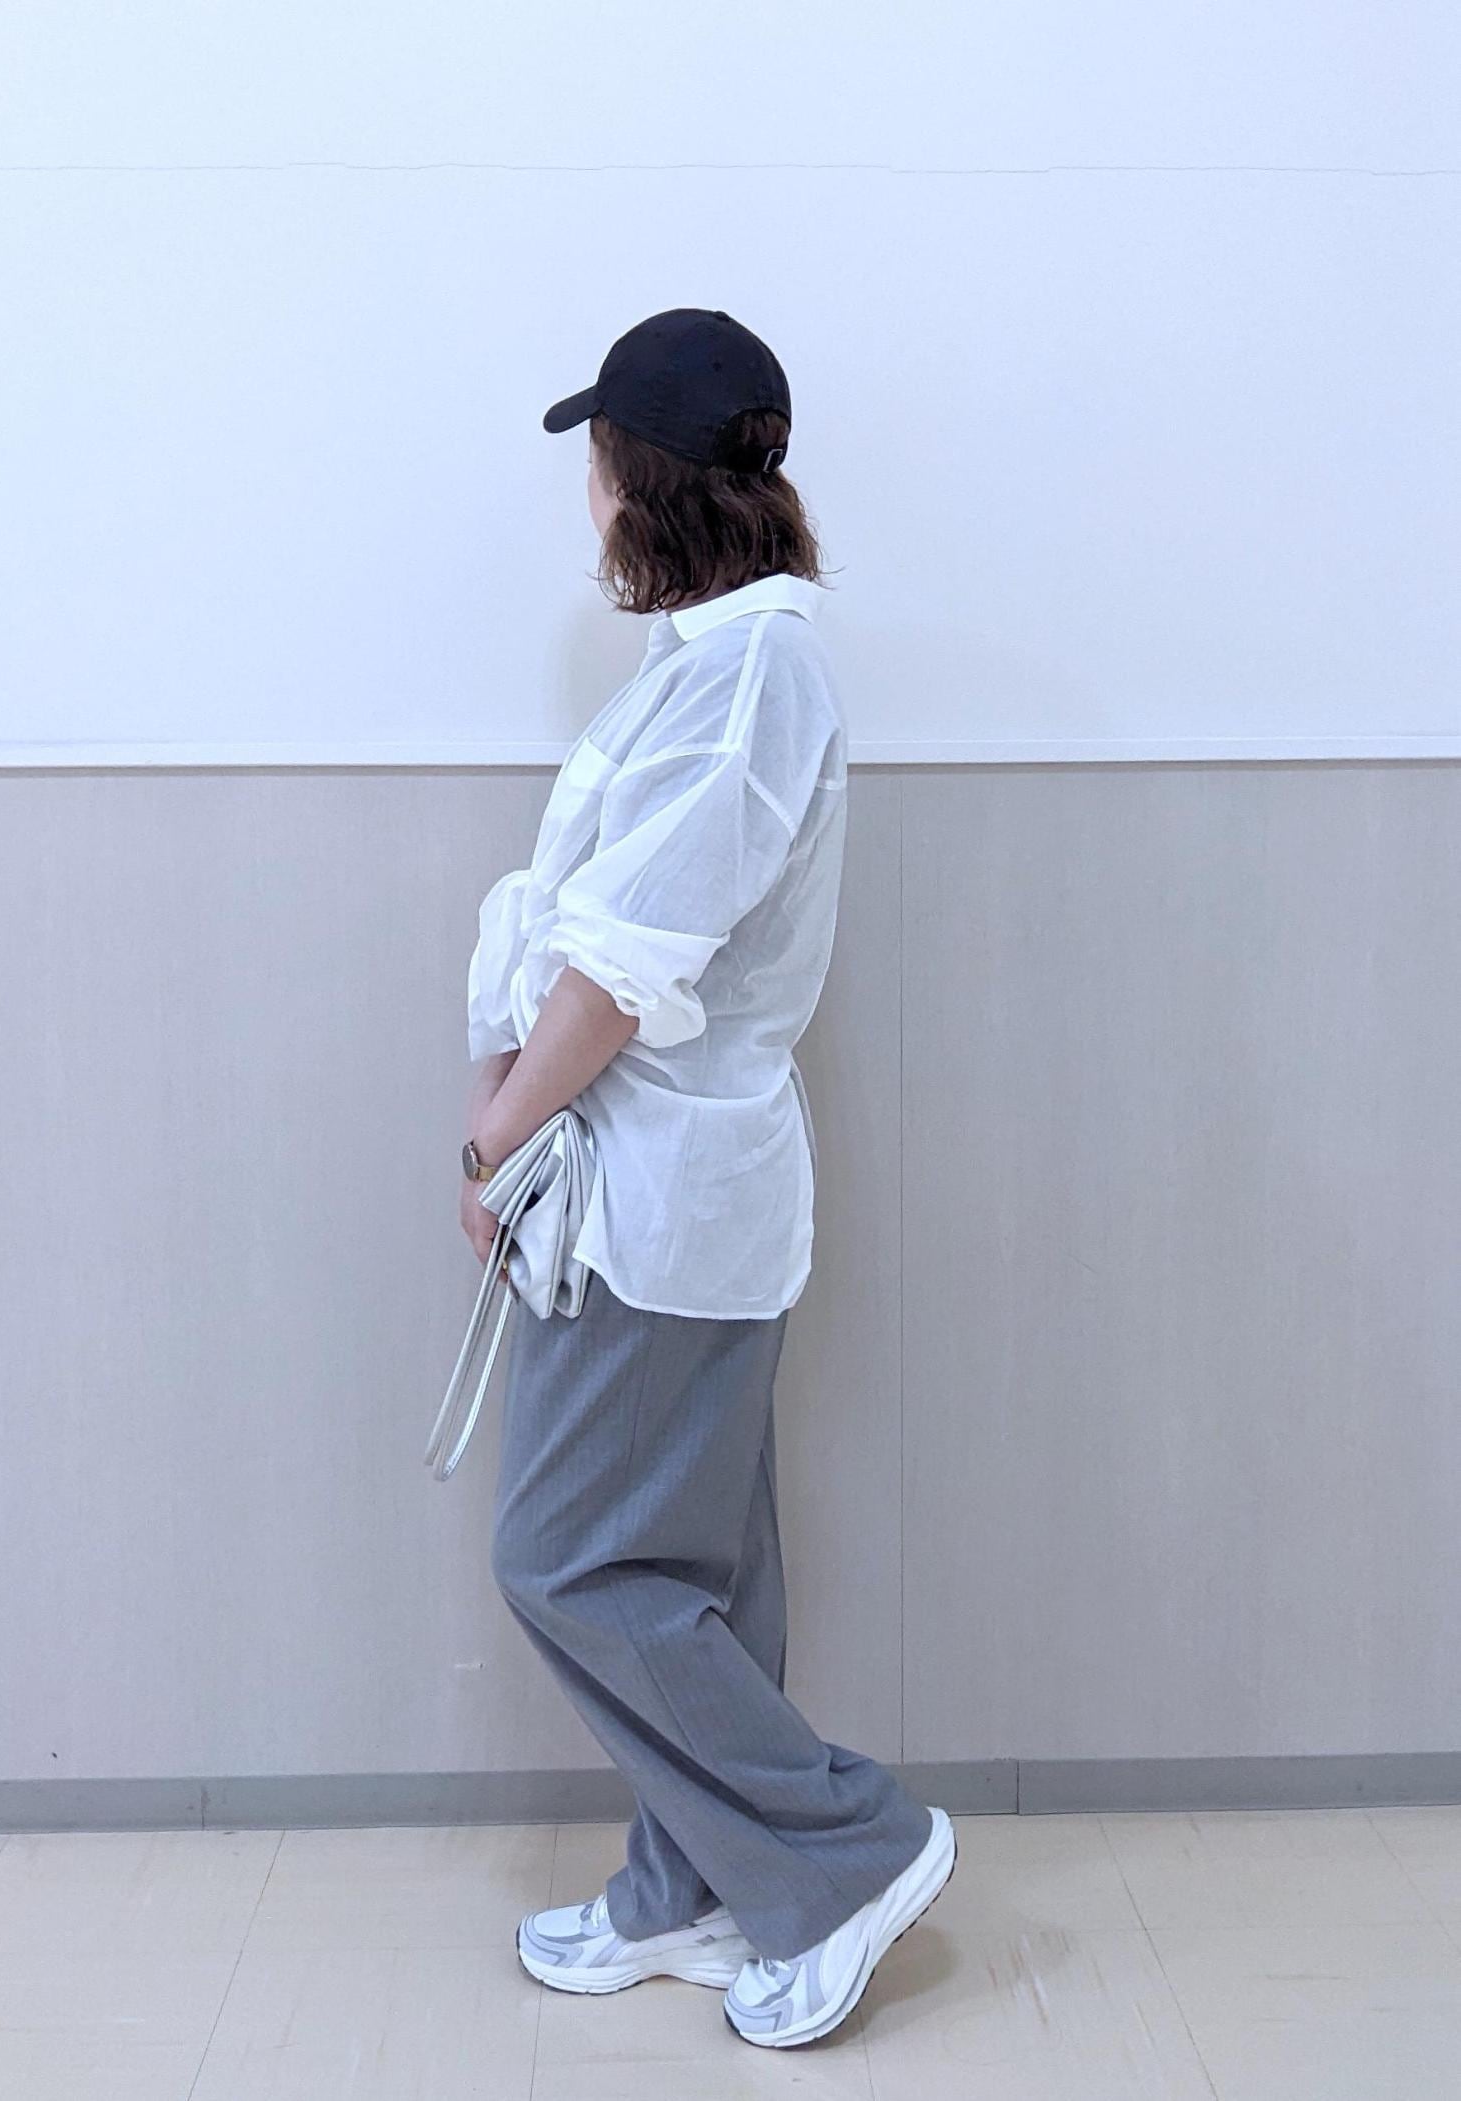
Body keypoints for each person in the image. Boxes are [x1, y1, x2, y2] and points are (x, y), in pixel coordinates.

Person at [460, 308, 955, 2050]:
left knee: (567, 1556)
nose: (588, 498)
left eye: (597, 463)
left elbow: (622, 962)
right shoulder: (718, 661)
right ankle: (696, 1882)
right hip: (673, 1184)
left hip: (663, 1190)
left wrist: (494, 1135)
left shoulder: (750, 676)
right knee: (698, 1575)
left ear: (637, 480)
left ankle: (842, 1849)